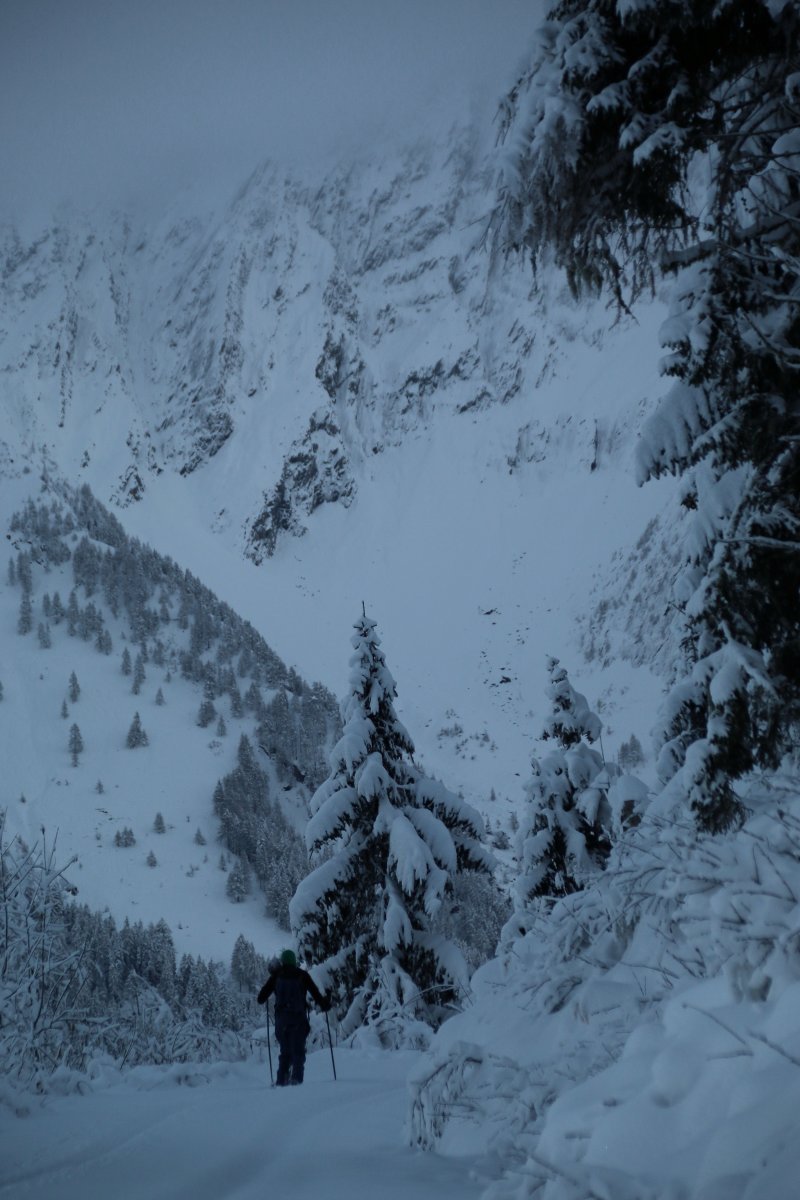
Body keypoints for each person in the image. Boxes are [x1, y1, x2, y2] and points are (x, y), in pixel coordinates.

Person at [257, 949, 330, 1086]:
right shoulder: (302, 975)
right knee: (298, 1052)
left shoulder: (276, 976)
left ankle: (281, 1081)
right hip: (298, 1019)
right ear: (294, 961)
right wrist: (325, 1004)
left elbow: (261, 998)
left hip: (281, 1021)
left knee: (285, 1052)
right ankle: (296, 1081)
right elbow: (316, 994)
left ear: (283, 961)